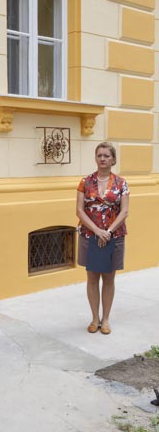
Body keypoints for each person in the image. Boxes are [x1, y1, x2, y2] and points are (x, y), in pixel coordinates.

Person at [76, 142, 129, 335]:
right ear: (95, 158)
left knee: (108, 277)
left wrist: (108, 232)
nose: (103, 159)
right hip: (90, 235)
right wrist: (98, 231)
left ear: (113, 159)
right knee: (92, 276)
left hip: (114, 236)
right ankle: (94, 318)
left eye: (107, 155)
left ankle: (105, 319)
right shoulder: (85, 182)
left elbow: (124, 211)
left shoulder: (121, 183)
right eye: (99, 155)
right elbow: (79, 211)